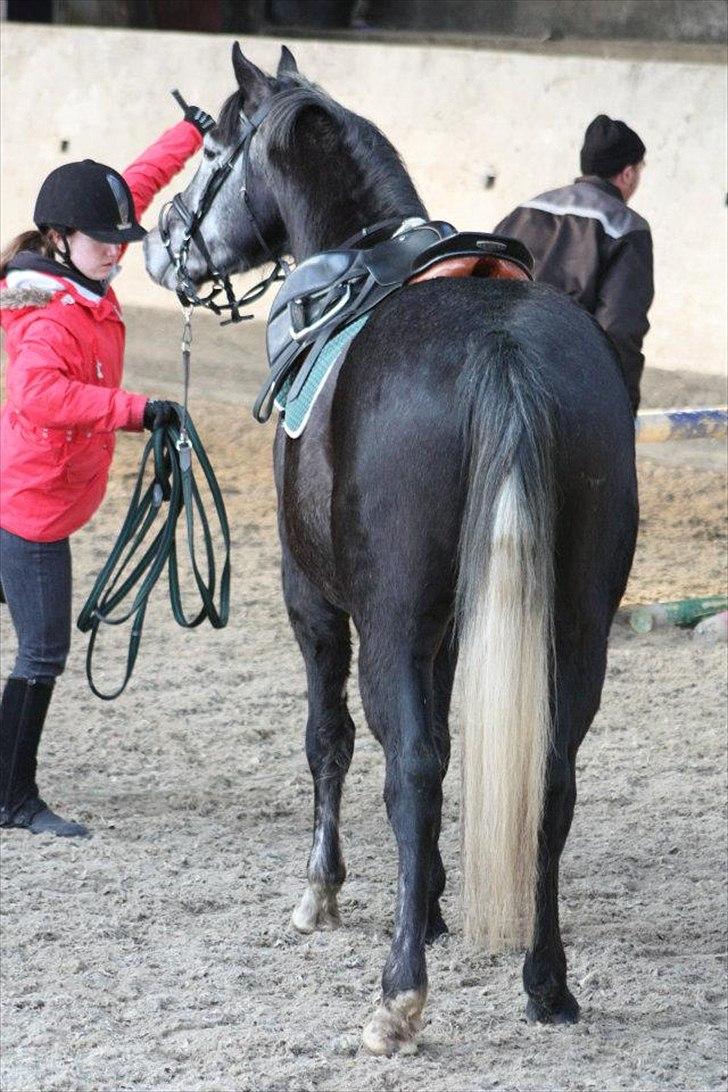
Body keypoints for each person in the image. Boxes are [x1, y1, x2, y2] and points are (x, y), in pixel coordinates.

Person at [0, 100, 215, 838]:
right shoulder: (47, 312)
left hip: (39, 495)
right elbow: (35, 392)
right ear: (60, 240)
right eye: (104, 242)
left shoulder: (80, 264)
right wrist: (134, 410)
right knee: (43, 649)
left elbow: (133, 186)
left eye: (122, 241)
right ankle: (11, 799)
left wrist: (193, 134)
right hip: (30, 507)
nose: (118, 252)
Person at [495, 114, 653, 413]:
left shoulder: (524, 210)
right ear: (629, 173)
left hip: (499, 376)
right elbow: (619, 328)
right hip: (568, 388)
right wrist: (622, 408)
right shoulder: (627, 227)